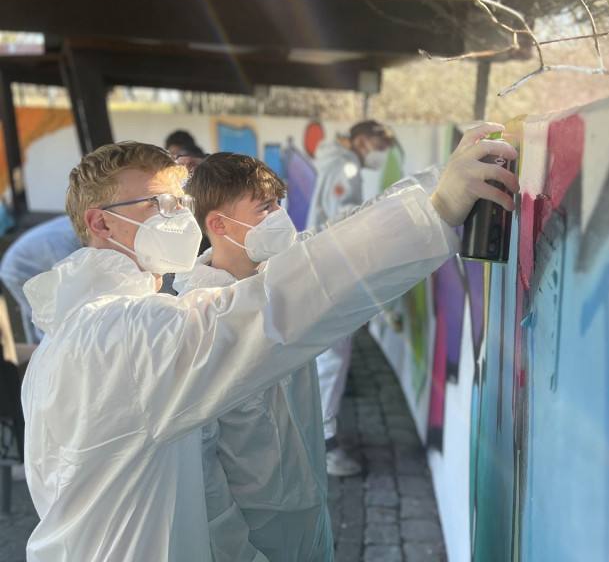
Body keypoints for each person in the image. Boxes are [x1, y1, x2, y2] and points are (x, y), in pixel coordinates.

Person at [20, 126, 518, 561]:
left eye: (179, 204)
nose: (177, 218)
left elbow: (298, 272)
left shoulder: (67, 339)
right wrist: (434, 211)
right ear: (100, 223)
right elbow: (275, 308)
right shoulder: (118, 335)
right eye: (158, 204)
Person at [175, 153, 331, 562]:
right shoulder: (198, 321)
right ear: (219, 225)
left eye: (278, 203)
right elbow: (200, 465)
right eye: (265, 207)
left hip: (310, 503)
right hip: (256, 529)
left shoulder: (283, 285)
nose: (280, 216)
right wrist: (236, 549)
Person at [306, 119, 397, 476]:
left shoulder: (335, 162)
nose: (380, 154)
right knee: (332, 358)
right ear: (360, 140)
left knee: (328, 357)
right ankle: (325, 446)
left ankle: (319, 437)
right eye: (378, 145)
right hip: (334, 271)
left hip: (326, 268)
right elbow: (345, 224)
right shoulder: (344, 167)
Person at [0, 215, 81, 344]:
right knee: (46, 317)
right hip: (18, 267)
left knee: (36, 316)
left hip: (23, 258)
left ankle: (35, 353)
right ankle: (48, 353)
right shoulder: (71, 241)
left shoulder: (80, 225)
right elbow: (75, 283)